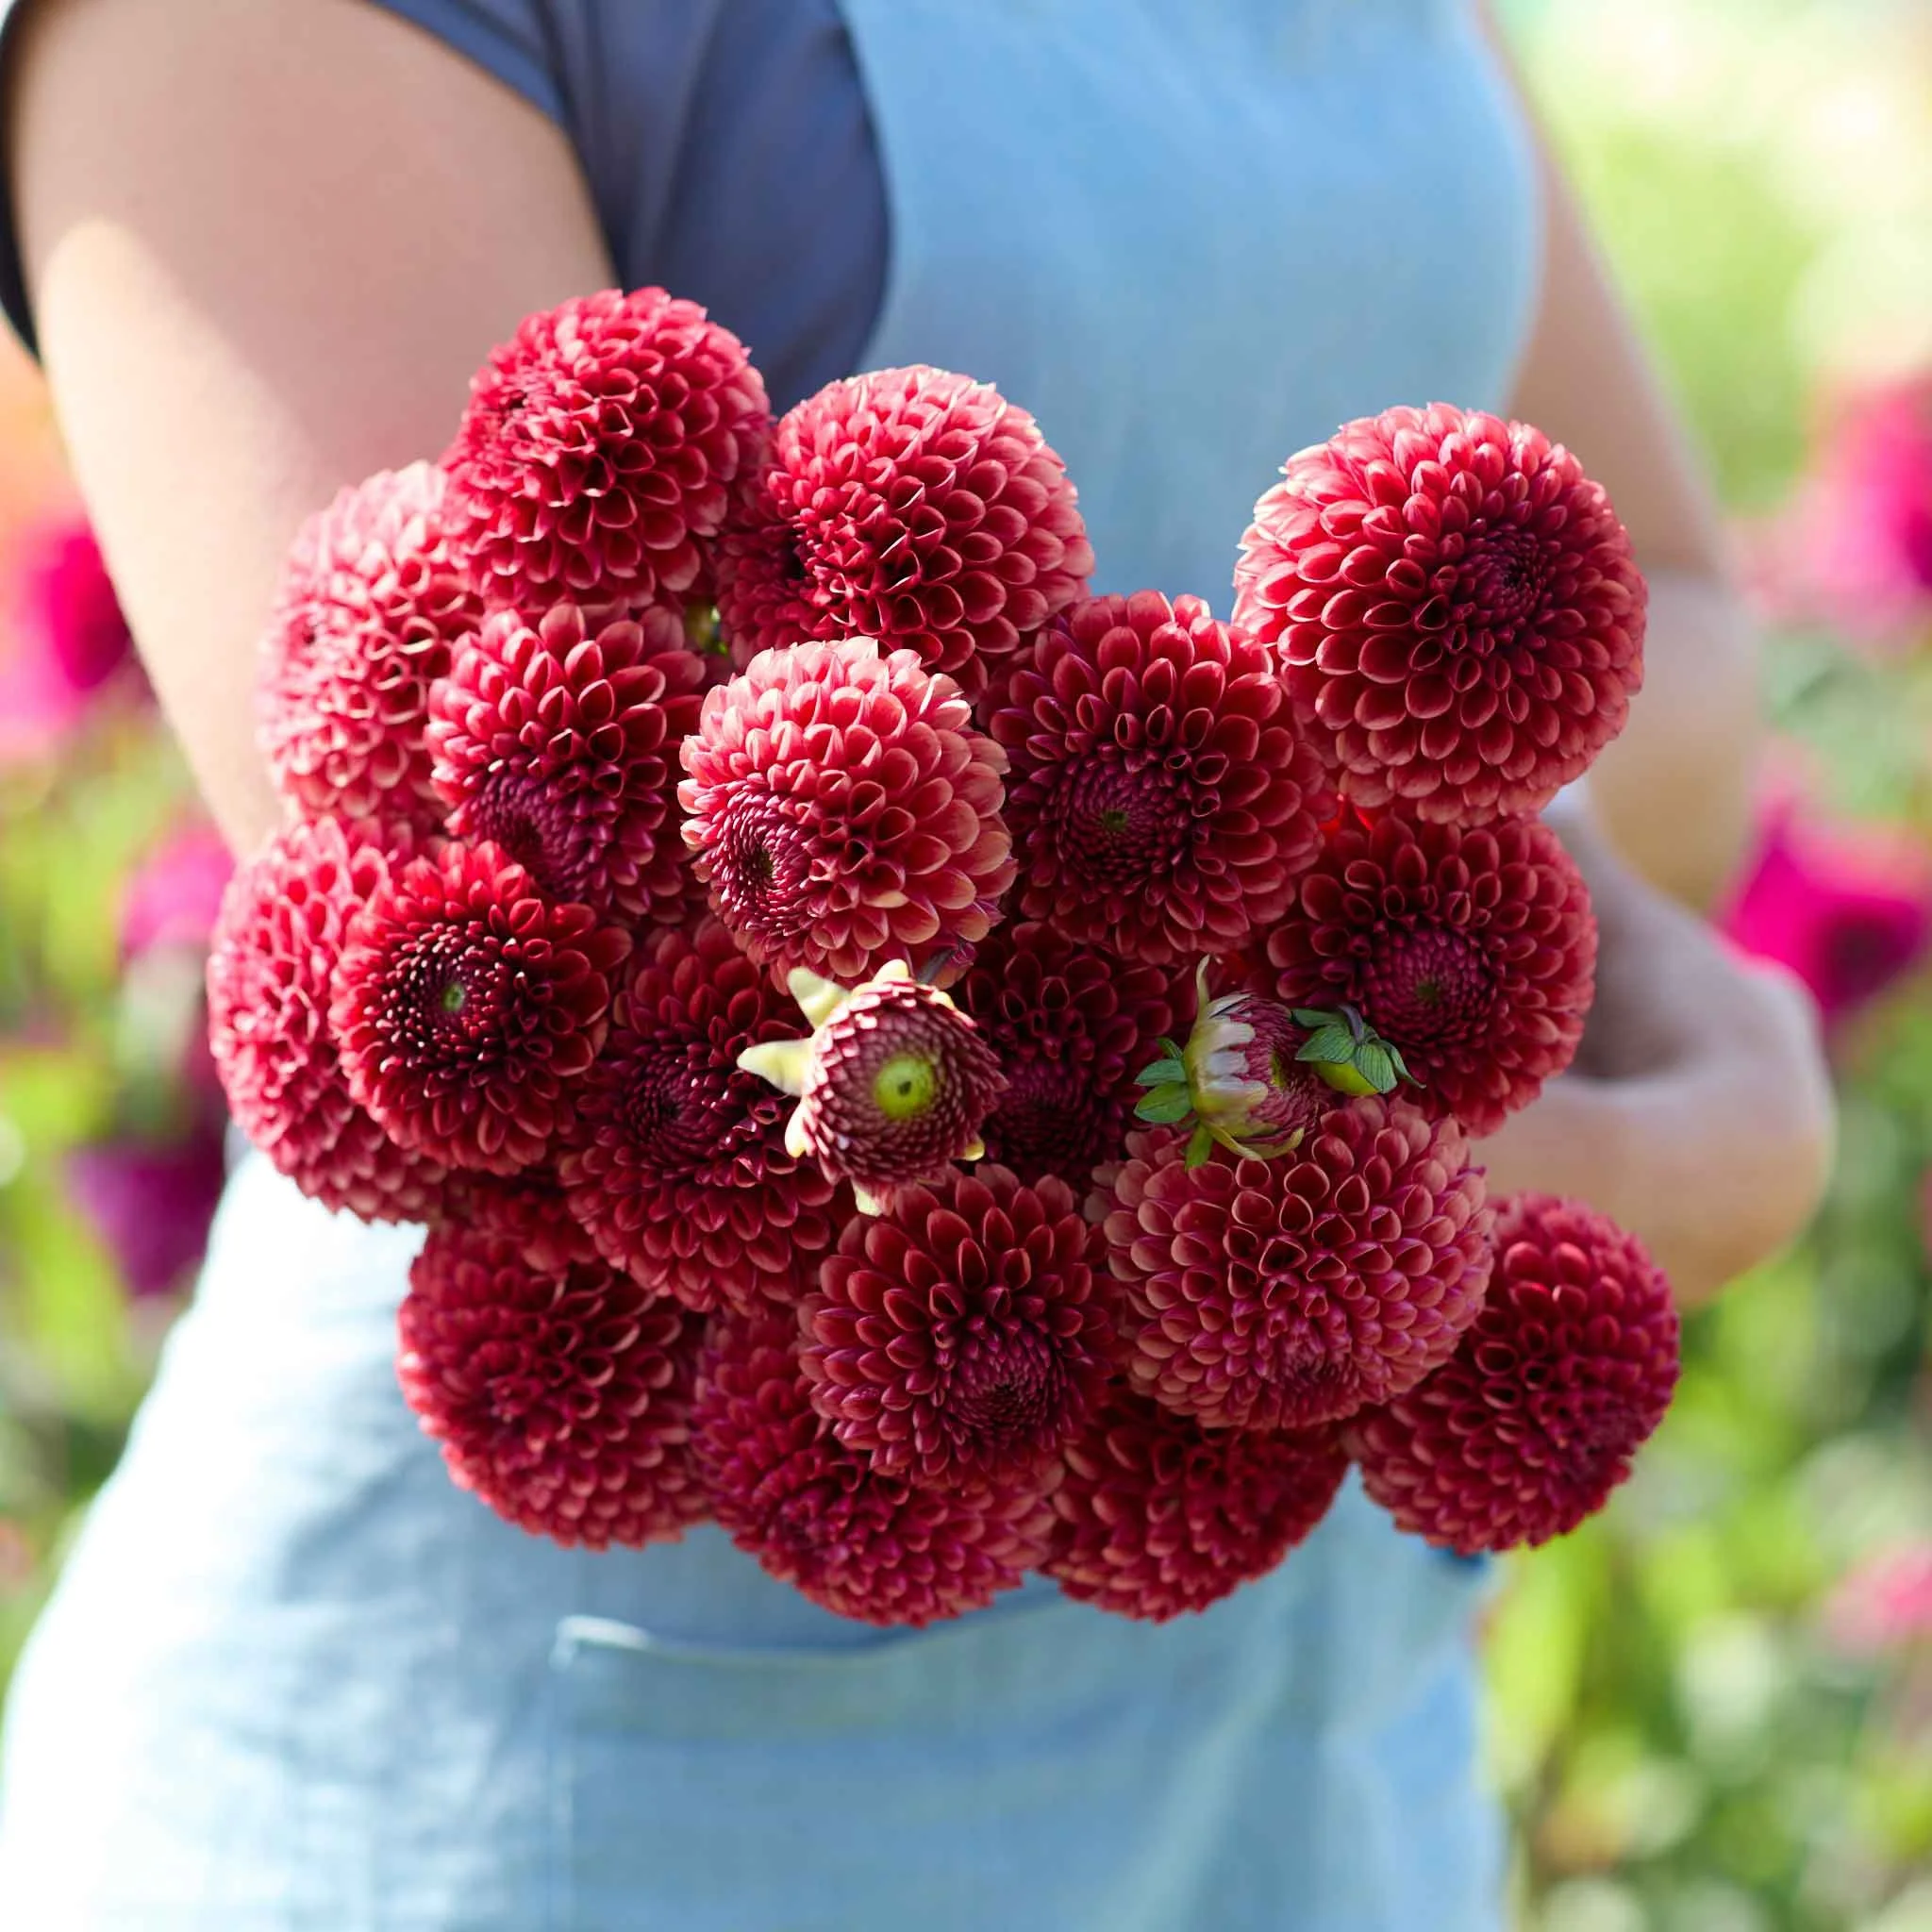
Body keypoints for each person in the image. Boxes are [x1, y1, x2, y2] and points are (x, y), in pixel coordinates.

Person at [0, 2, 1833, 1926]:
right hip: (579, 1816)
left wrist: (1431, 900)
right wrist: (1618, 1165)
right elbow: (548, 1011)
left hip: (1307, 1772)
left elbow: (1681, 628)